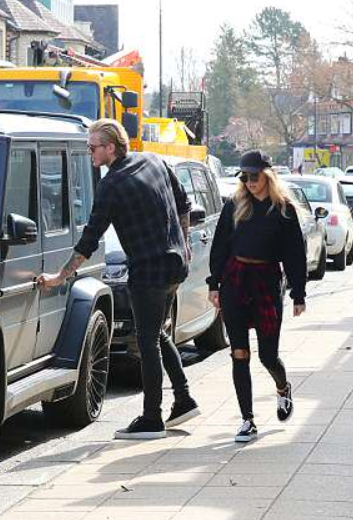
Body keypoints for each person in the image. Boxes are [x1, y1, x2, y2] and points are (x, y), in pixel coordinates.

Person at [37, 119, 200, 440]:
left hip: (148, 272)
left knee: (147, 341)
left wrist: (59, 277)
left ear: (110, 147)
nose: (90, 152)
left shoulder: (111, 185)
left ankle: (151, 418)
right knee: (157, 332)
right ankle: (183, 399)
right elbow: (184, 203)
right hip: (175, 265)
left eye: (93, 147)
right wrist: (185, 245)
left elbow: (90, 239)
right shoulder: (153, 160)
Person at [207, 150, 306, 443]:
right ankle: (247, 420)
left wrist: (298, 293)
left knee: (267, 355)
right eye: (245, 176)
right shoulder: (234, 205)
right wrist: (214, 284)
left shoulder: (283, 210)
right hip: (235, 280)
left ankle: (282, 388)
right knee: (239, 353)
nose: (249, 181)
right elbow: (220, 246)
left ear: (267, 176)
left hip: (266, 281)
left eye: (254, 175)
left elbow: (295, 254)